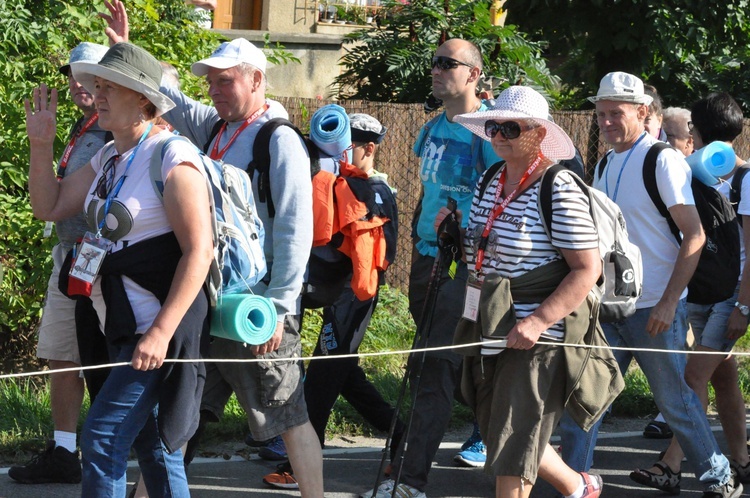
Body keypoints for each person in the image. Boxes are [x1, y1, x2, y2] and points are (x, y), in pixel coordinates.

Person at [99, 2, 323, 496]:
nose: (215, 90)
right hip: (214, 302)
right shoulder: (219, 128)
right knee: (177, 416)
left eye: (226, 81)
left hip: (259, 309)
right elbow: (166, 98)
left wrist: (281, 307)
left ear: (256, 81)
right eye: (212, 82)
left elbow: (294, 228)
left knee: (287, 413)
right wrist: (125, 52)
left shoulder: (277, 139)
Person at [25, 41, 213, 497]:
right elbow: (48, 206)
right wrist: (41, 144)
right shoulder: (108, 156)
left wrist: (161, 333)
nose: (98, 94)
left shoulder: (173, 157)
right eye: (98, 85)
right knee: (154, 445)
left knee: (104, 437)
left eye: (112, 87)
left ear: (144, 101)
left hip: (155, 331)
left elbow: (199, 251)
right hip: (115, 325)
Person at [559, 71, 741, 498]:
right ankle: (574, 482)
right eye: (600, 114)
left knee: (677, 404)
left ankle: (719, 478)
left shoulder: (663, 159)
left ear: (643, 113)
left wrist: (668, 303)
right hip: (610, 307)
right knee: (585, 399)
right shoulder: (604, 163)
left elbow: (693, 235)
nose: (605, 122)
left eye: (615, 113)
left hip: (656, 307)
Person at [362, 38, 501, 498]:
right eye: (435, 62)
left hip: (463, 266)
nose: (437, 70)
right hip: (429, 261)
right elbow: (428, 195)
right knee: (469, 372)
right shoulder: (431, 129)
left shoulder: (488, 134)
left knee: (431, 368)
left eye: (448, 64)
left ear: (473, 75)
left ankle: (409, 480)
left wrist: (469, 256)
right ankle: (516, 455)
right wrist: (415, 252)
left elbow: (500, 202)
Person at [452, 83, 605, 498]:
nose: (498, 135)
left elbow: (587, 268)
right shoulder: (490, 177)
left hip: (541, 336)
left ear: (538, 133)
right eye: (494, 126)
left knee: (514, 439)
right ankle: (579, 487)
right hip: (492, 322)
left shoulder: (558, 185)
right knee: (501, 427)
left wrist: (538, 321)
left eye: (510, 128)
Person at [263, 113, 405, 490]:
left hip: (357, 296)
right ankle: (403, 435)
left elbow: (372, 254)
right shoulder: (346, 182)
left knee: (325, 372)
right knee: (343, 372)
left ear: (368, 148)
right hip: (339, 291)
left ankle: (299, 462)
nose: (340, 151)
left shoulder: (373, 191)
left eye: (349, 145)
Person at [630, 92, 750, 493]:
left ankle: (671, 465)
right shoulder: (699, 175)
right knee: (725, 377)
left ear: (699, 134)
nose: (684, 141)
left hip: (732, 298)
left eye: (688, 132)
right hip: (709, 294)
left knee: (693, 376)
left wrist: (744, 308)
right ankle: (742, 458)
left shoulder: (745, 177)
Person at [8, 41, 109, 487]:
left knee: (108, 362)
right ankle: (66, 452)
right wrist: (40, 144)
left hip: (110, 264)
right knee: (62, 356)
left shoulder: (118, 130)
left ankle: (119, 450)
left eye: (88, 74)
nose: (76, 82)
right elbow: (47, 204)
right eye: (72, 74)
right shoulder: (83, 129)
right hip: (71, 258)